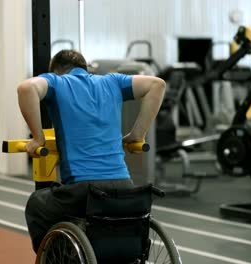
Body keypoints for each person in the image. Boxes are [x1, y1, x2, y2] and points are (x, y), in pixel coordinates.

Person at [17, 49, 166, 252]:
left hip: (84, 190)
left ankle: (56, 257)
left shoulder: (57, 82)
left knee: (37, 204)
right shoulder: (112, 81)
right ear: (84, 68)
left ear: (57, 70)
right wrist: (138, 134)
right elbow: (157, 85)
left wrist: (37, 138)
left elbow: (26, 89)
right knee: (111, 224)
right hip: (125, 187)